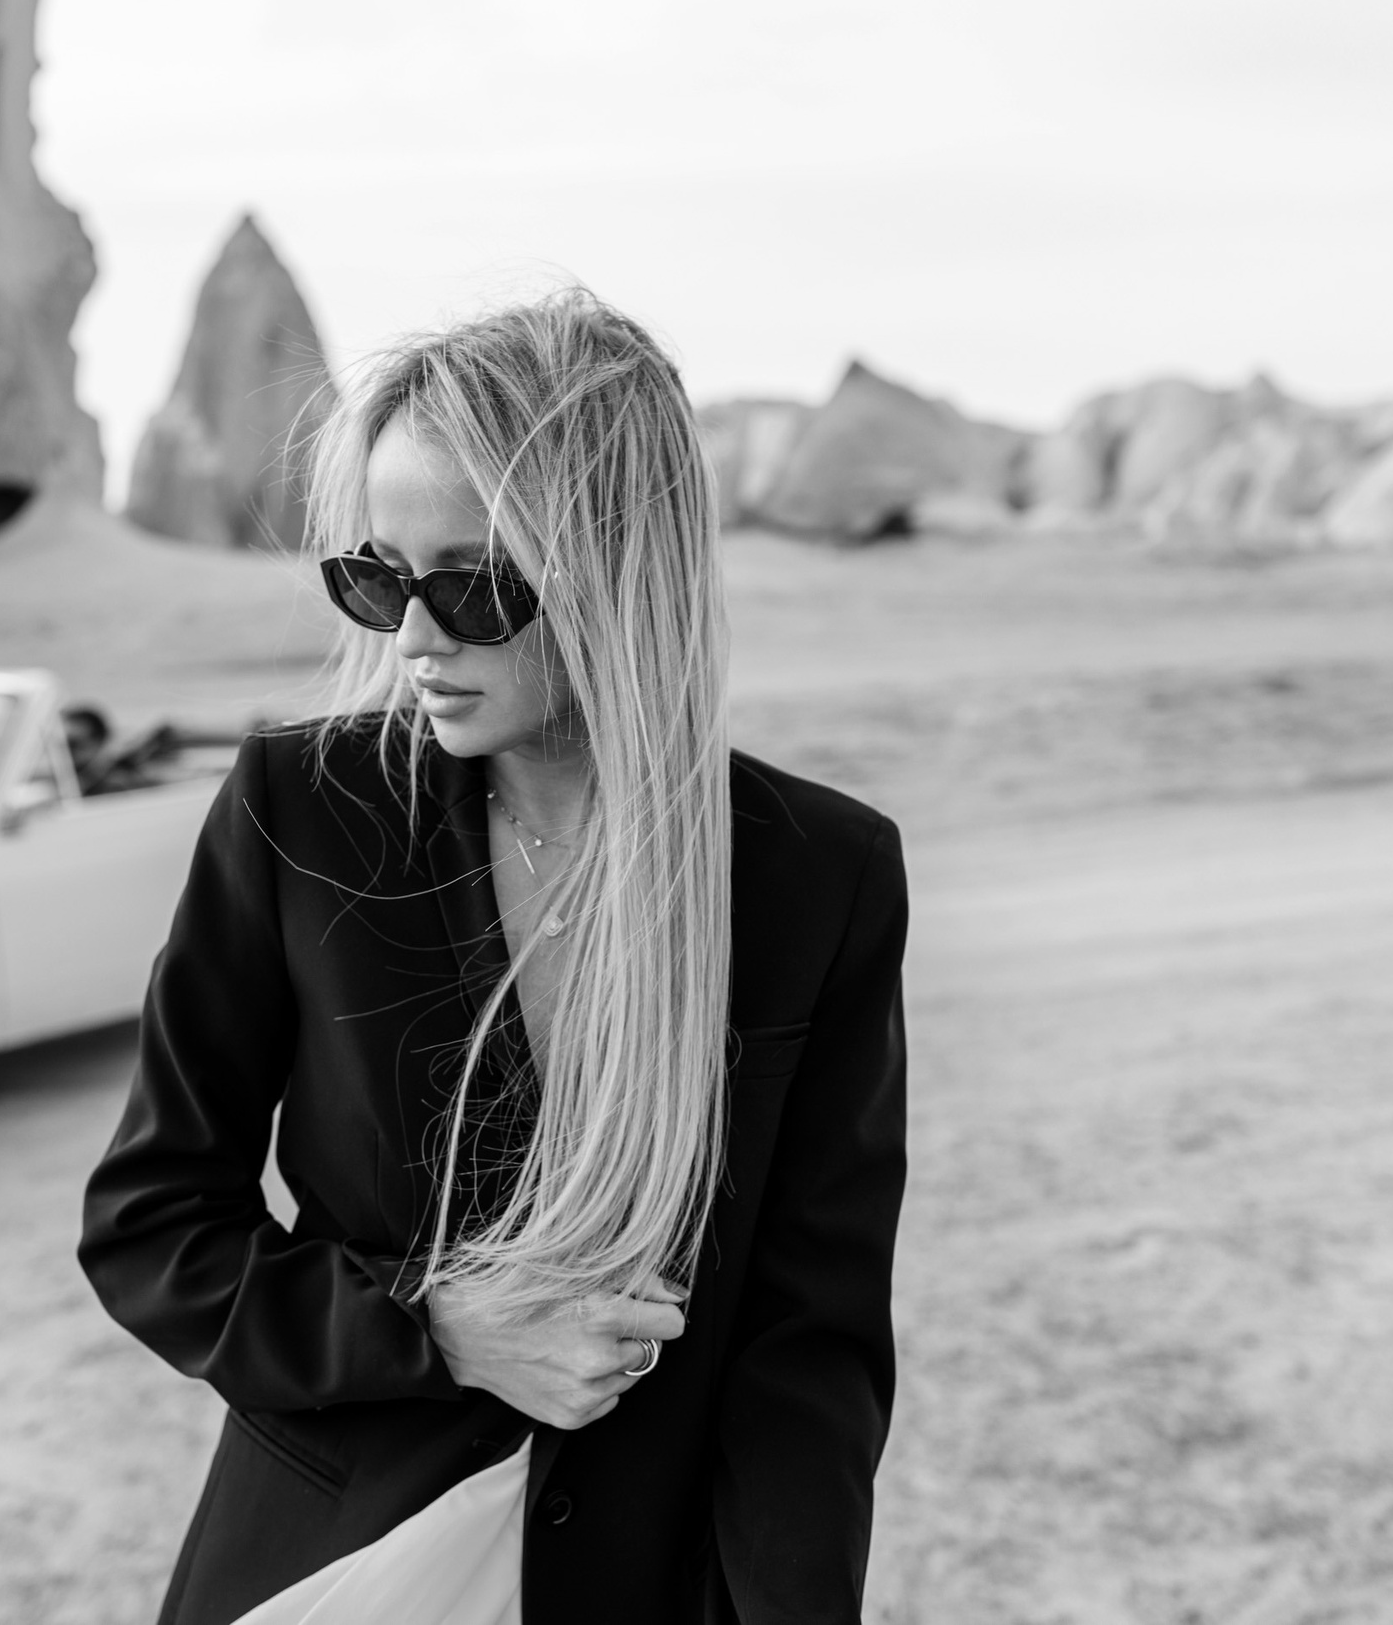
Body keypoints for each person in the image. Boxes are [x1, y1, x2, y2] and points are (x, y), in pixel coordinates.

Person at [79, 290, 909, 1623]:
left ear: (619, 571)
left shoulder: (821, 876)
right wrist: (435, 1326)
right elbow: (151, 1230)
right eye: (375, 577)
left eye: (468, 588)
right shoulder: (302, 814)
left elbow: (808, 1357)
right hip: (335, 1571)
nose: (410, 640)